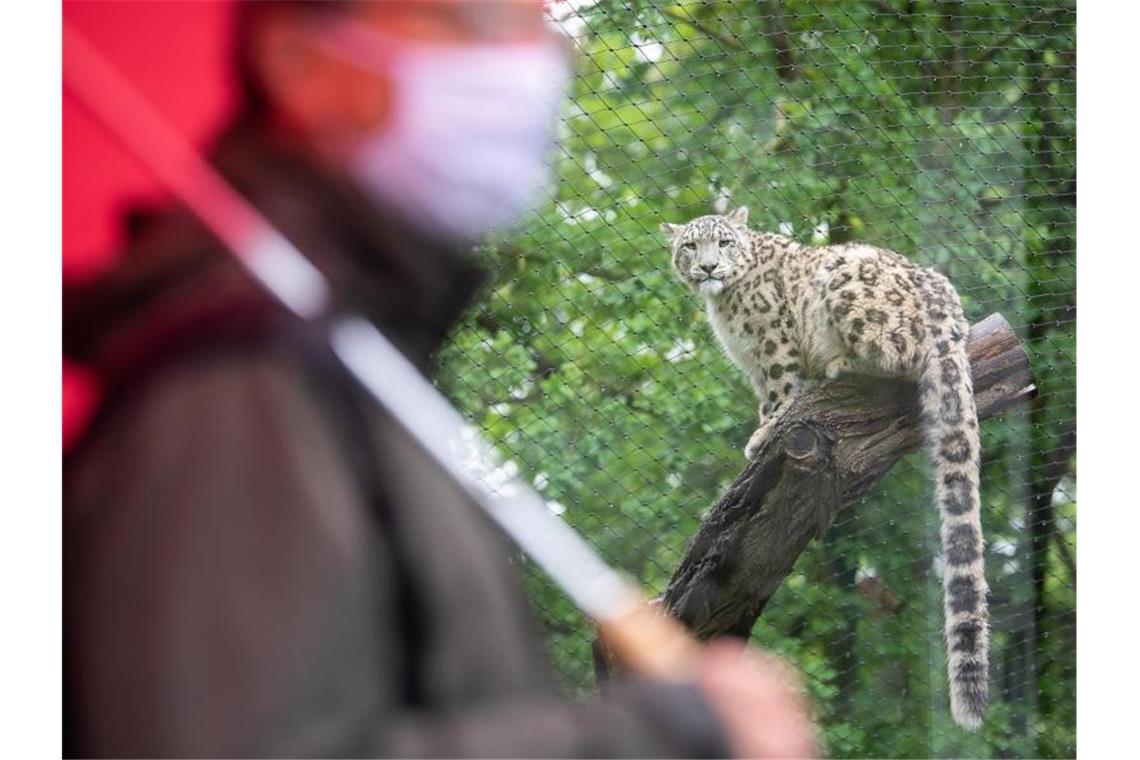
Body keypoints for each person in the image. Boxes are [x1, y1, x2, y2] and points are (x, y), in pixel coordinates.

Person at [63, 1, 818, 757]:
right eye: (478, 24)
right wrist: (658, 738)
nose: (532, 67)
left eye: (540, 28)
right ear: (297, 60)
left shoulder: (356, 359)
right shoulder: (236, 387)